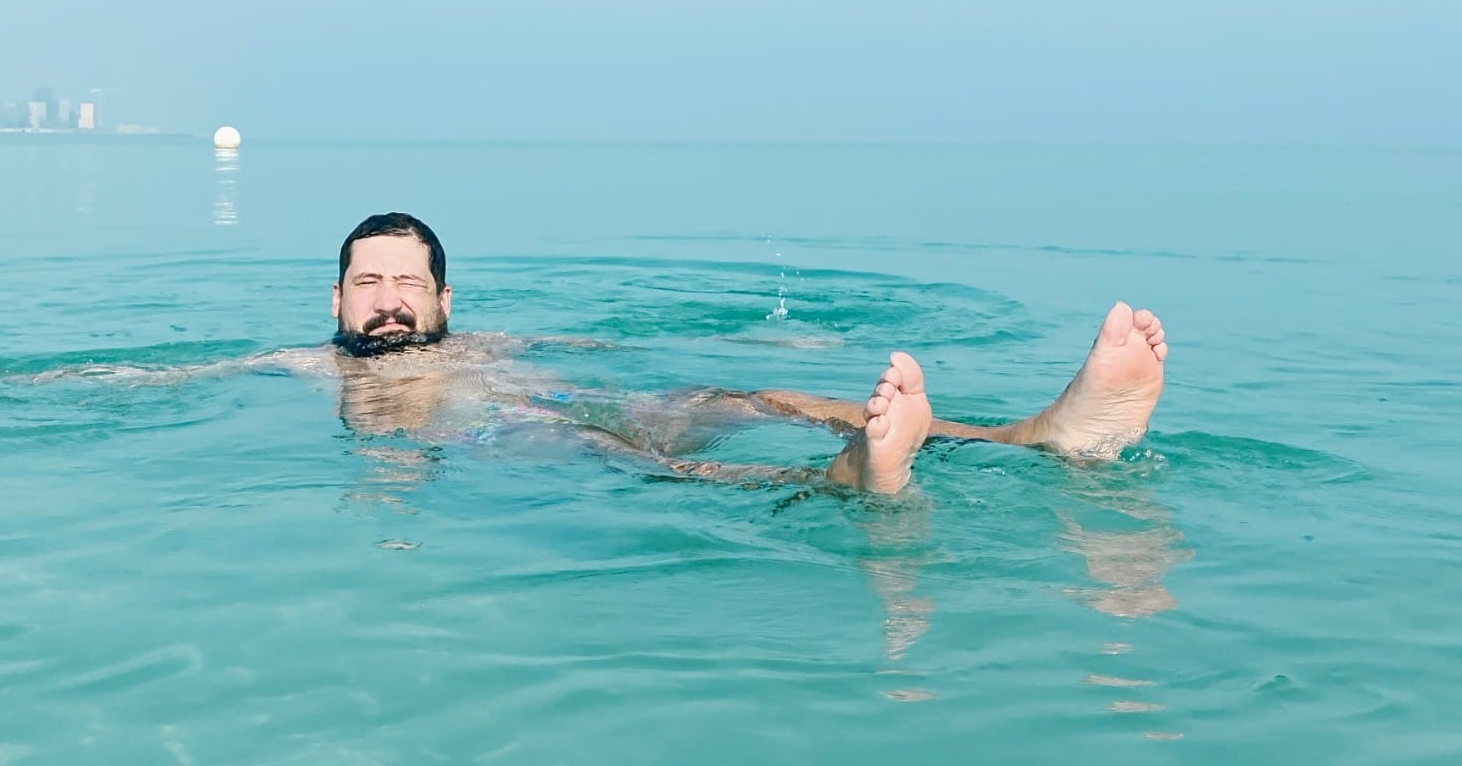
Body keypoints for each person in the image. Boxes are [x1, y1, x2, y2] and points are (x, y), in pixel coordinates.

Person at [316, 211, 1168, 496]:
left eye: (408, 282)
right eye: (369, 282)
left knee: (761, 396)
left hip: (619, 405)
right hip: (521, 437)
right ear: (337, 299)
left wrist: (770, 338)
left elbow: (636, 345)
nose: (389, 300)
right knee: (640, 462)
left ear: (444, 300)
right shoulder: (310, 364)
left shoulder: (499, 344)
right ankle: (844, 478)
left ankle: (1037, 434)